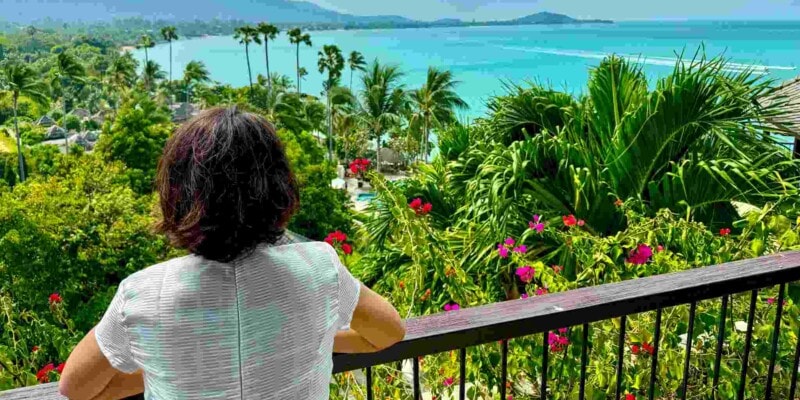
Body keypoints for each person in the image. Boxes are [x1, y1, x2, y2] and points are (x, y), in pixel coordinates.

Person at [59, 107, 405, 400]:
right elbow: (388, 332)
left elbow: (75, 387)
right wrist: (312, 340)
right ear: (278, 186)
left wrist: (159, 371)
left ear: (179, 195)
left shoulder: (143, 294)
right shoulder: (318, 267)